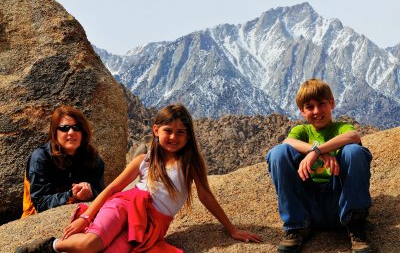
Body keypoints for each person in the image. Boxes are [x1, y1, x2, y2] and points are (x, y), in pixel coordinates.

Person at [40, 103, 261, 252]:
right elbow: (112, 189)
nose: (173, 137)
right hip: (125, 205)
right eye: (168, 131)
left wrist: (232, 229)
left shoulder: (190, 164)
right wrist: (85, 218)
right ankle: (53, 246)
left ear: (188, 135)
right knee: (92, 243)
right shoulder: (144, 160)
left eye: (180, 132)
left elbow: (205, 195)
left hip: (151, 225)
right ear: (156, 130)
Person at [266, 79, 374, 253]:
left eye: (321, 104)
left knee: (354, 152)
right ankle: (295, 226)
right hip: (308, 207)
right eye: (309, 107)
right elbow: (287, 141)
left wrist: (316, 152)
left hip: (339, 203)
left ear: (331, 103)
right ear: (302, 111)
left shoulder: (341, 128)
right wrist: (320, 151)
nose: (316, 111)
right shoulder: (303, 131)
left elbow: (353, 136)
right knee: (278, 153)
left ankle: (356, 226)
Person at [21, 105, 105, 218]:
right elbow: (40, 203)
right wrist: (71, 195)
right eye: (64, 128)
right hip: (38, 219)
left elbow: (101, 192)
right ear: (55, 132)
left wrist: (90, 192)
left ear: (83, 132)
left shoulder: (93, 158)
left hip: (83, 215)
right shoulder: (41, 158)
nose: (71, 132)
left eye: (76, 127)